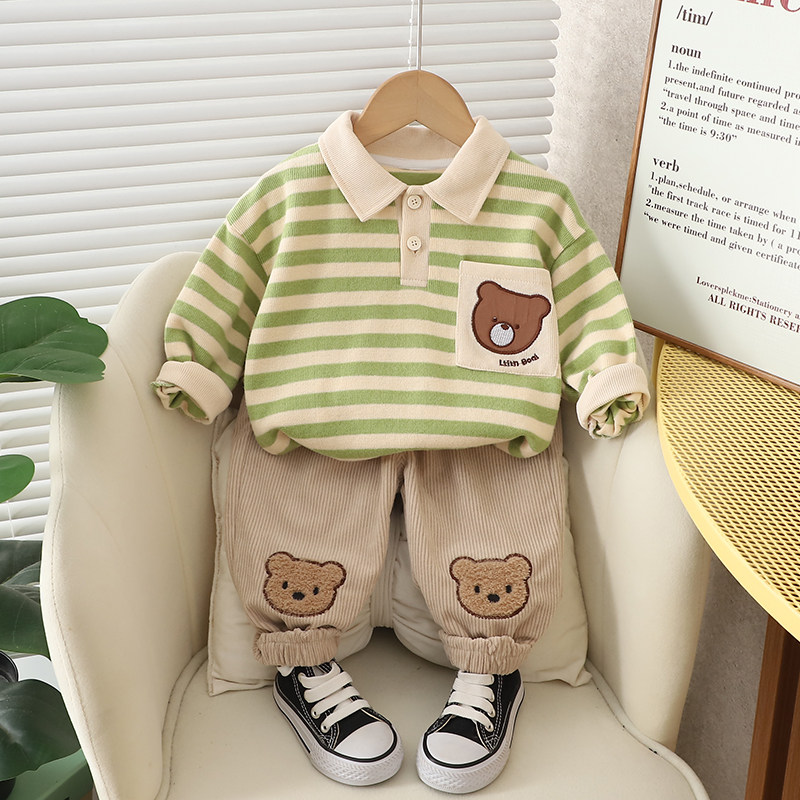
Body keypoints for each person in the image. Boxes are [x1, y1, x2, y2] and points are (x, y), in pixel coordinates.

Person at [153, 110, 649, 794]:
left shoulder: (537, 204)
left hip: (481, 430)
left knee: (497, 534)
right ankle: (304, 668)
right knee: (296, 518)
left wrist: (607, 376)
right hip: (320, 424)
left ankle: (490, 672)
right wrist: (198, 364)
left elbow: (587, 296)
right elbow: (229, 275)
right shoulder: (292, 193)